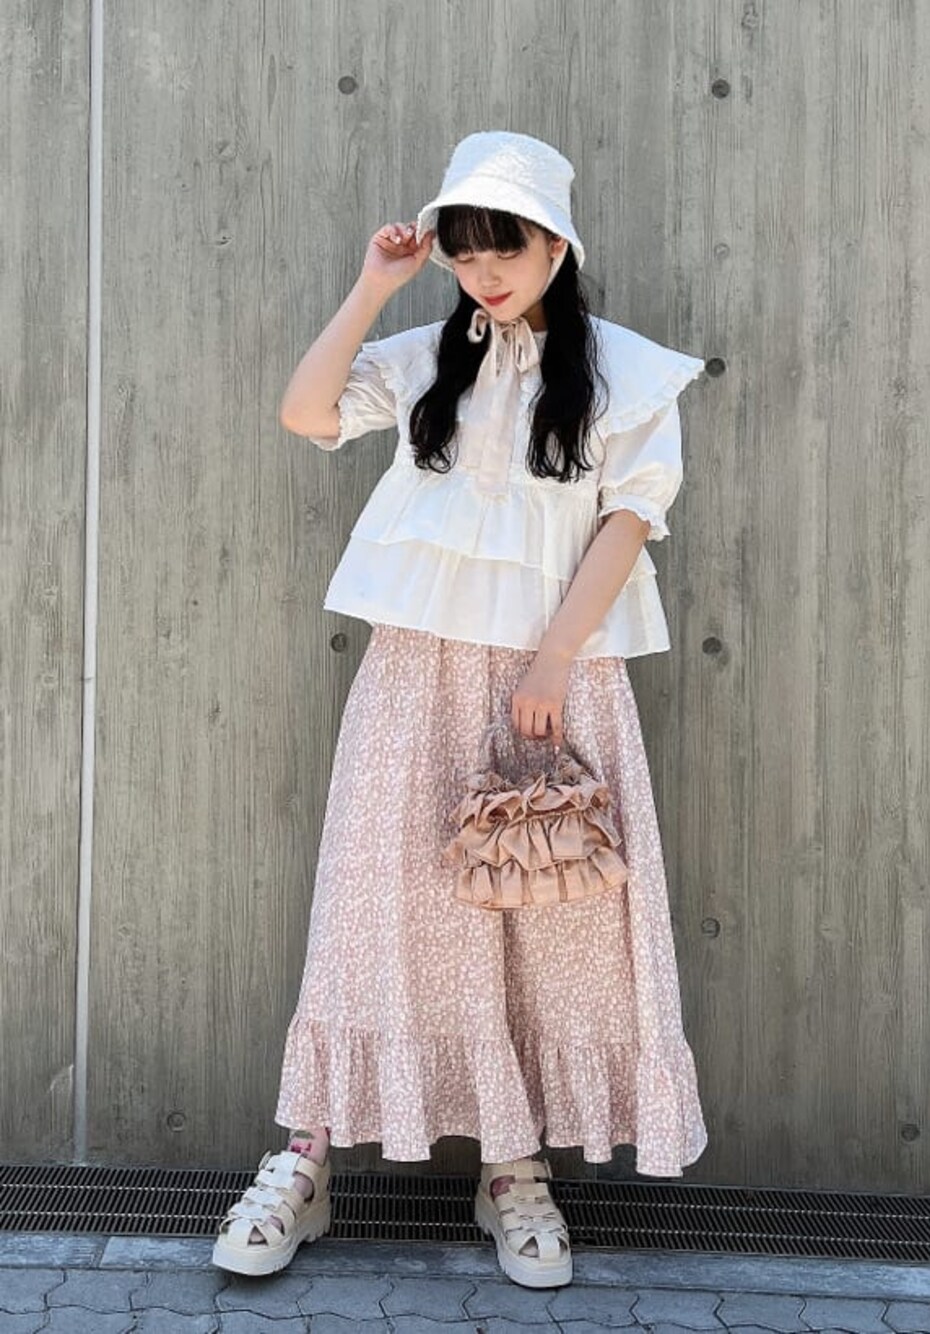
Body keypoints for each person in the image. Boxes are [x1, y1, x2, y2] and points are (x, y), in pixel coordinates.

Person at [212, 130, 708, 1289]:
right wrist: (374, 285)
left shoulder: (625, 372)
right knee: (377, 902)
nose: (484, 271)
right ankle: (306, 1157)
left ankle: (513, 1169)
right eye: (465, 249)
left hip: (557, 679)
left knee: (548, 923)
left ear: (556, 247)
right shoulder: (426, 357)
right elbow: (305, 412)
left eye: (506, 247)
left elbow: (628, 520)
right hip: (415, 669)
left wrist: (550, 662)